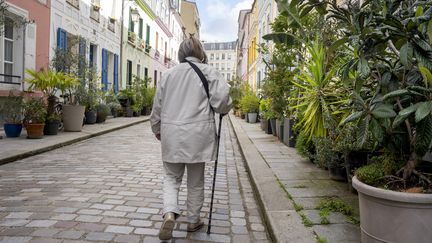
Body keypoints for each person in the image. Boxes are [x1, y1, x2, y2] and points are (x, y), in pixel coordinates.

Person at [150, 37, 232, 241]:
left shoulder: (168, 75)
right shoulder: (209, 72)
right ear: (200, 52)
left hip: (172, 135)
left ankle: (169, 213)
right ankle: (193, 221)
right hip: (198, 136)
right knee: (196, 182)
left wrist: (157, 129)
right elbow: (222, 102)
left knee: (171, 178)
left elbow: (157, 108)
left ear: (180, 53)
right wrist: (223, 108)